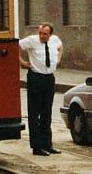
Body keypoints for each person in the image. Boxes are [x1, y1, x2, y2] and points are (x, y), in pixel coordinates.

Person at [19, 22, 63, 156]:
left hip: (49, 78)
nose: (42, 36)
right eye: (40, 33)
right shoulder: (32, 41)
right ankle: (37, 147)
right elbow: (14, 46)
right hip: (35, 78)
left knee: (46, 112)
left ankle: (47, 144)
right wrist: (21, 62)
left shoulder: (55, 40)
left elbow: (61, 47)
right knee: (34, 113)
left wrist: (58, 59)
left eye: (45, 34)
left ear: (50, 34)